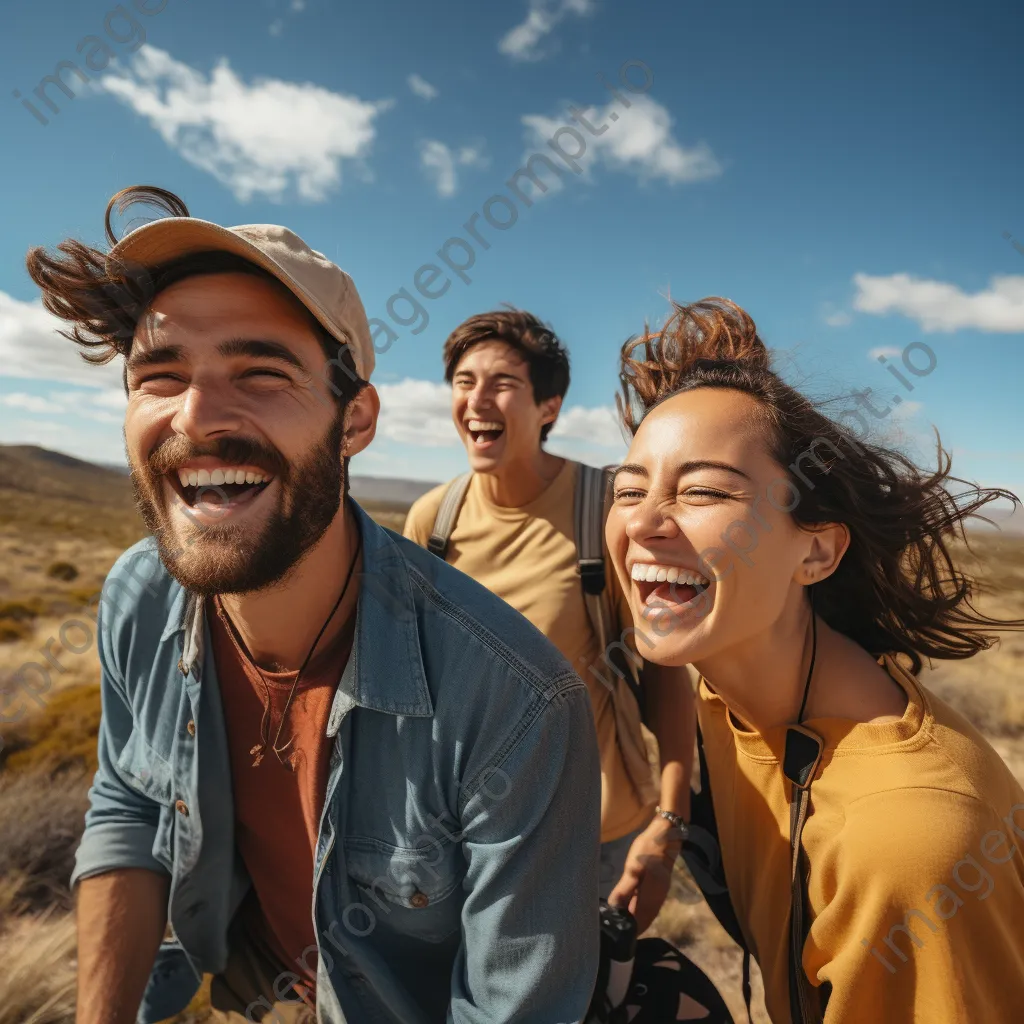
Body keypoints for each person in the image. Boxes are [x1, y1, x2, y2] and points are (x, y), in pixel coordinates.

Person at [26, 187, 601, 1024]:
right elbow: (131, 804)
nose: (196, 415)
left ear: (355, 419)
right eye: (161, 374)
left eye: (261, 373)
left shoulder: (517, 702)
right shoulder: (136, 598)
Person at [604, 297, 1024, 1023]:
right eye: (629, 489)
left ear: (817, 549)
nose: (643, 520)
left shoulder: (904, 842)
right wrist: (671, 824)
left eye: (702, 490)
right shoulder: (730, 682)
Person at [403, 309, 695, 928]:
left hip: (594, 834)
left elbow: (666, 673)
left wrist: (670, 820)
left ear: (549, 407)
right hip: (469, 842)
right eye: (462, 380)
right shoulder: (434, 523)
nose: (477, 399)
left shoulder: (607, 511)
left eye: (503, 382)